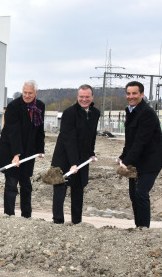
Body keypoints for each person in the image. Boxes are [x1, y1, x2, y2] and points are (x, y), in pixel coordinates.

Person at [117, 81, 162, 228]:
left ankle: (144, 229)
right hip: (137, 161)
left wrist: (127, 161)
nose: (131, 96)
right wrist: (123, 156)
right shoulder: (131, 111)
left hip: (151, 161)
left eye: (134, 93)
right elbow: (130, 140)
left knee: (141, 193)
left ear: (142, 94)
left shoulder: (147, 113)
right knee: (134, 195)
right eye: (128, 93)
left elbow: (141, 141)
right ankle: (138, 227)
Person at [51, 84, 100, 224]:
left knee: (78, 188)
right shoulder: (69, 113)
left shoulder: (95, 113)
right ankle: (58, 221)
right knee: (60, 187)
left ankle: (77, 222)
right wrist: (73, 163)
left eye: (87, 97)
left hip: (82, 158)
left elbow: (92, 135)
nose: (84, 99)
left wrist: (91, 152)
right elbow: (69, 140)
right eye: (81, 97)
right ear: (77, 97)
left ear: (92, 97)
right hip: (64, 156)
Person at [0, 80, 45, 218]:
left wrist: (40, 148)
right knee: (11, 184)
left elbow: (39, 129)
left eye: (30, 93)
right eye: (25, 92)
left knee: (26, 184)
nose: (27, 95)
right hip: (11, 150)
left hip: (28, 152)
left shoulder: (40, 106)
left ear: (36, 93)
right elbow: (13, 132)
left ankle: (26, 215)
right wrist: (16, 154)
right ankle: (9, 215)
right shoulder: (13, 106)